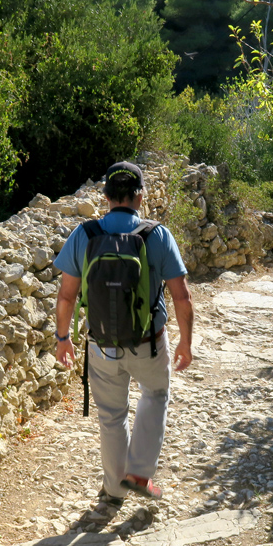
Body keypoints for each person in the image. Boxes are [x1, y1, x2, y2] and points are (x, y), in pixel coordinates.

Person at [53, 162, 194, 503]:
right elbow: (181, 296)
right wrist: (186, 343)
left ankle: (115, 488)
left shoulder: (84, 235)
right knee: (156, 396)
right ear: (140, 196)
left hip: (101, 345)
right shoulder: (156, 234)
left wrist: (62, 339)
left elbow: (67, 295)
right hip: (148, 344)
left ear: (105, 197)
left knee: (111, 416)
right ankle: (139, 474)